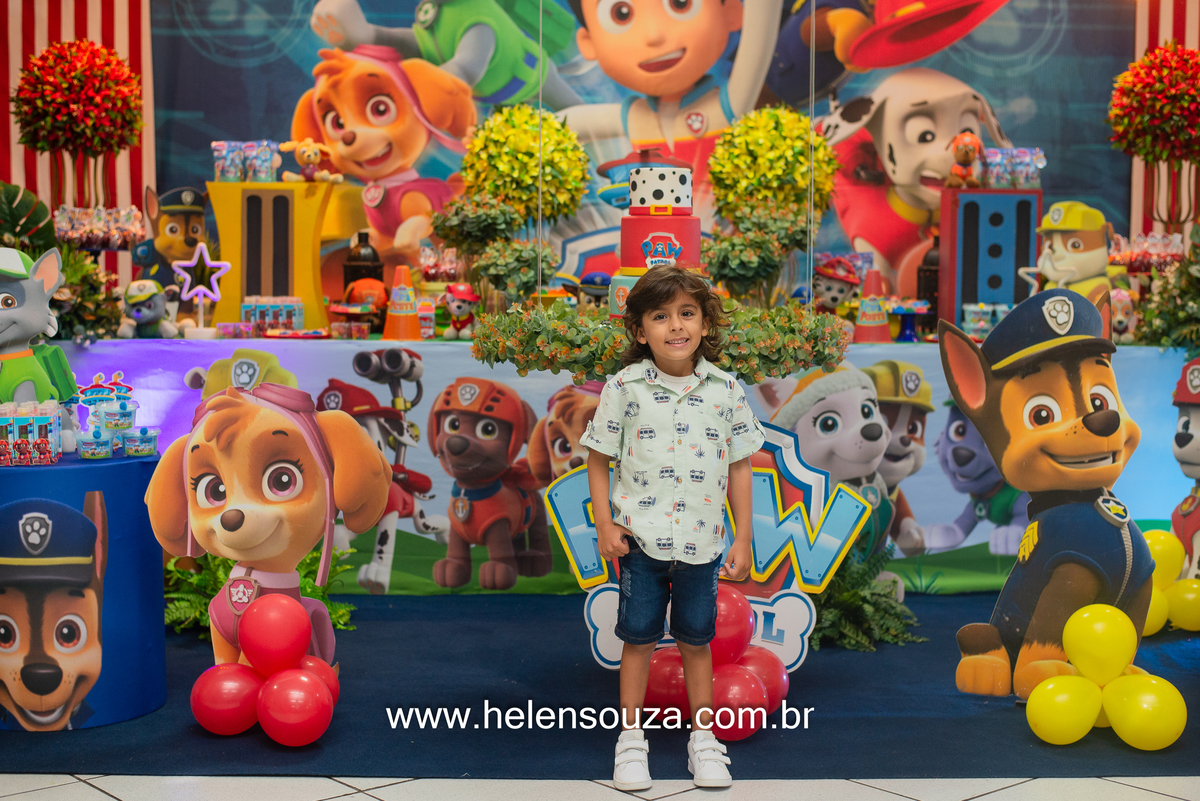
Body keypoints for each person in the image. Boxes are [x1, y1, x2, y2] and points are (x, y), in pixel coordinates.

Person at [579, 264, 765, 790]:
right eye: (660, 316)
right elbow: (598, 457)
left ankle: (703, 740)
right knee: (637, 640)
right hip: (639, 543)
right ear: (640, 331)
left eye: (687, 313)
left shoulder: (726, 390)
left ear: (705, 323)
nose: (676, 326)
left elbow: (740, 465)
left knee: (696, 641)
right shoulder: (624, 387)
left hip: (702, 546)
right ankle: (630, 741)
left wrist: (743, 536)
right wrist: (605, 524)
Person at [560, 0, 782, 227]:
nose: (654, 35)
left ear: (730, 11)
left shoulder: (724, 108)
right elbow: (567, 124)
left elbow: (760, 31)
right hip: (655, 240)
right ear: (588, 42)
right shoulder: (635, 118)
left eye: (680, 3)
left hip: (724, 238)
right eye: (621, 14)